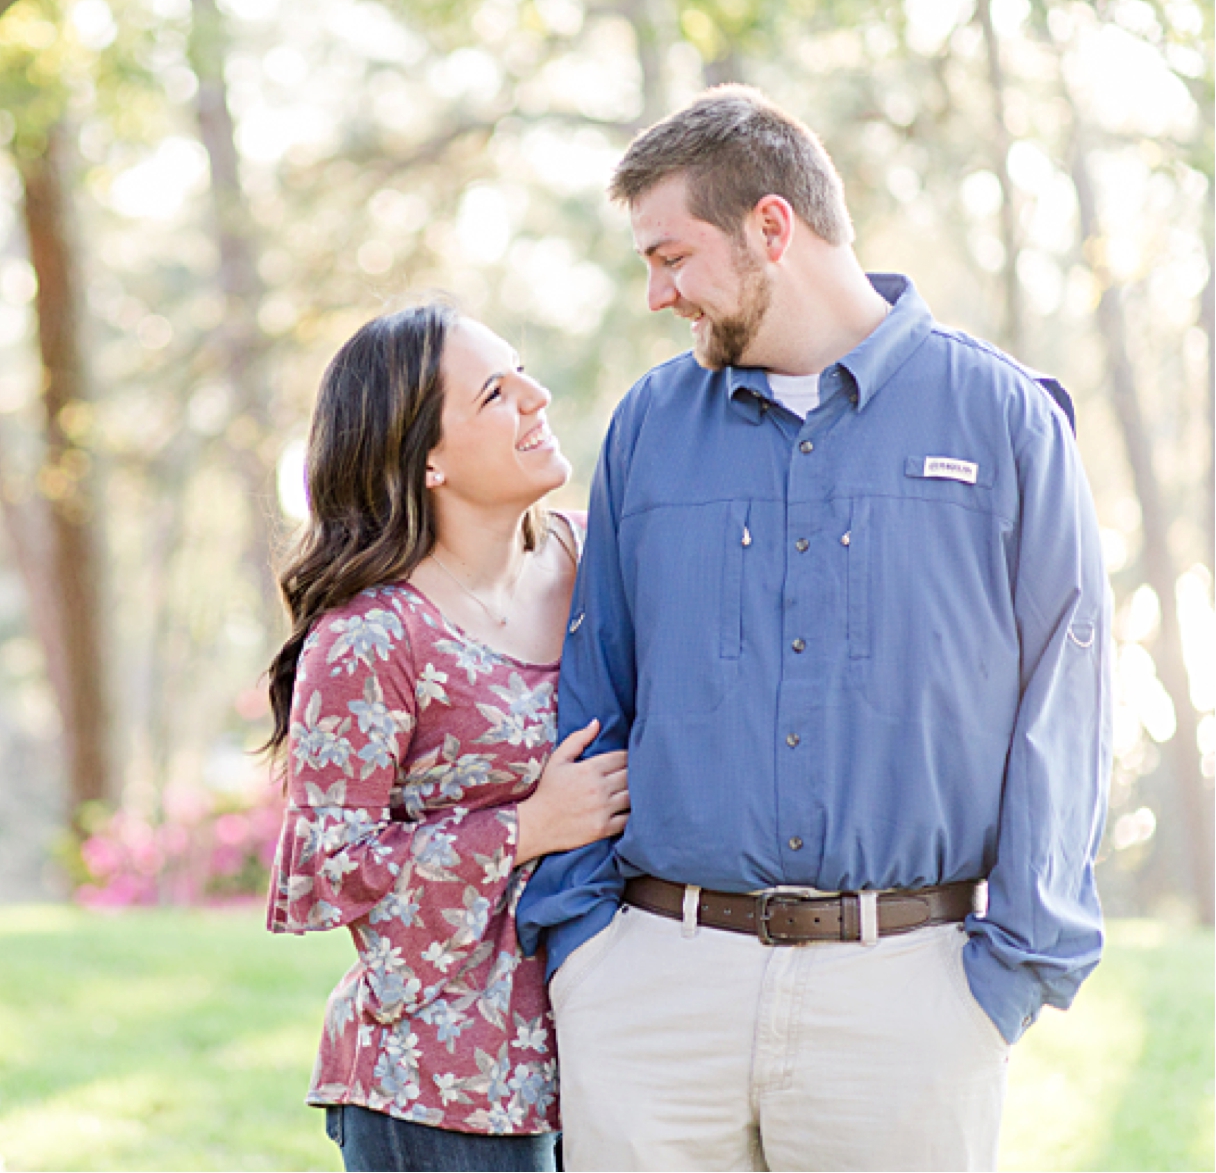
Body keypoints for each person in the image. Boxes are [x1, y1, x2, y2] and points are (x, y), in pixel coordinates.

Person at [517, 86, 1113, 1171]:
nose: (657, 294)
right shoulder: (649, 425)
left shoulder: (1001, 418)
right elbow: (595, 683)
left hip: (908, 996)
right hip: (652, 991)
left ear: (770, 228)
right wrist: (580, 948)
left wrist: (1011, 968)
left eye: (670, 256)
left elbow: (1062, 701)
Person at [264, 302, 631, 1173]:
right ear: (426, 456)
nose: (538, 398)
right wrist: (526, 829)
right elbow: (327, 865)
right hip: (437, 1089)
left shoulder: (599, 565)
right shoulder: (371, 638)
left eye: (523, 372)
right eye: (497, 393)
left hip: (606, 1059)